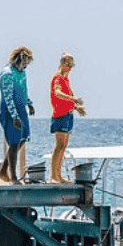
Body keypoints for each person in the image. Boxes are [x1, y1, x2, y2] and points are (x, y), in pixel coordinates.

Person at [0, 46, 35, 183]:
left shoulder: (22, 73)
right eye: (24, 63)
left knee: (23, 138)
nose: (26, 66)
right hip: (10, 112)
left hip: (21, 109)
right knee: (14, 143)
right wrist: (14, 116)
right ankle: (13, 177)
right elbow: (8, 97)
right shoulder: (7, 74)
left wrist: (29, 103)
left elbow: (24, 90)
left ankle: (3, 171)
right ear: (18, 60)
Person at [49, 52, 85, 183]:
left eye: (71, 65)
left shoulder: (66, 79)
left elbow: (67, 96)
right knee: (59, 146)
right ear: (61, 63)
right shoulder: (57, 77)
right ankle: (54, 176)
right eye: (67, 64)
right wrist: (74, 99)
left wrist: (76, 106)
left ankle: (58, 175)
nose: (69, 67)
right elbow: (58, 93)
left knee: (63, 147)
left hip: (68, 114)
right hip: (60, 115)